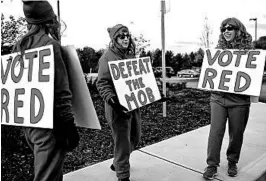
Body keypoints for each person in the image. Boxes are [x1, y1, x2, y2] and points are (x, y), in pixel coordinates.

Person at [13, 1, 79, 181]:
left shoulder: (19, 46)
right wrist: (68, 124)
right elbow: (61, 92)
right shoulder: (51, 45)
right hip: (50, 126)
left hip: (29, 123)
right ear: (50, 20)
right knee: (48, 176)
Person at [203, 17, 253, 180]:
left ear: (239, 30)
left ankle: (232, 161)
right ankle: (212, 164)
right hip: (218, 97)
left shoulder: (249, 53)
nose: (226, 31)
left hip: (239, 100)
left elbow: (252, 76)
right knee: (215, 132)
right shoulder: (218, 52)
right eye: (223, 29)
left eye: (230, 28)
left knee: (237, 133)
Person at [96, 24, 141, 181]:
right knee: (122, 143)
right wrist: (113, 102)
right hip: (116, 107)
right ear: (114, 39)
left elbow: (137, 80)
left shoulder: (129, 56)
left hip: (132, 105)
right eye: (122, 36)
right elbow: (101, 83)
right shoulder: (107, 57)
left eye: (127, 35)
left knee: (135, 137)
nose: (126, 39)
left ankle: (117, 163)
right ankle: (123, 175)